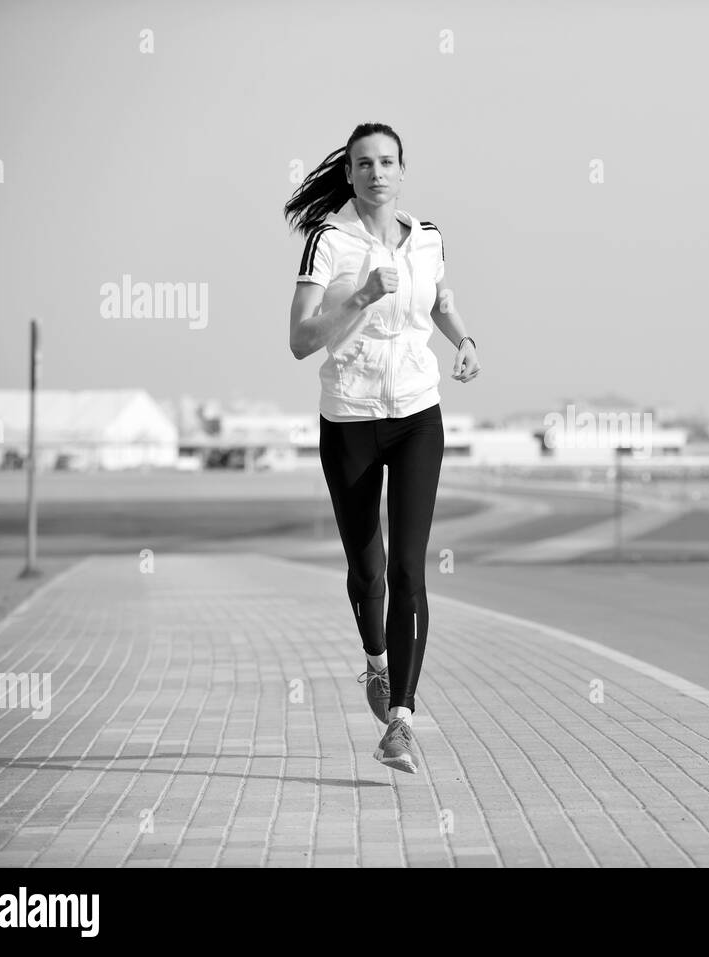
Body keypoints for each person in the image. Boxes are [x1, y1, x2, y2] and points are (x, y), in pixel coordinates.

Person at [284, 122, 480, 773]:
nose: (375, 172)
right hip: (349, 416)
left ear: (402, 170)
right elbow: (301, 339)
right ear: (349, 174)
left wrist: (463, 339)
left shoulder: (428, 238)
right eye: (363, 163)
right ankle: (375, 662)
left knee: (409, 570)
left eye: (386, 161)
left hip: (418, 414)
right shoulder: (329, 241)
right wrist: (362, 297)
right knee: (368, 567)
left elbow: (440, 297)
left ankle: (400, 719)